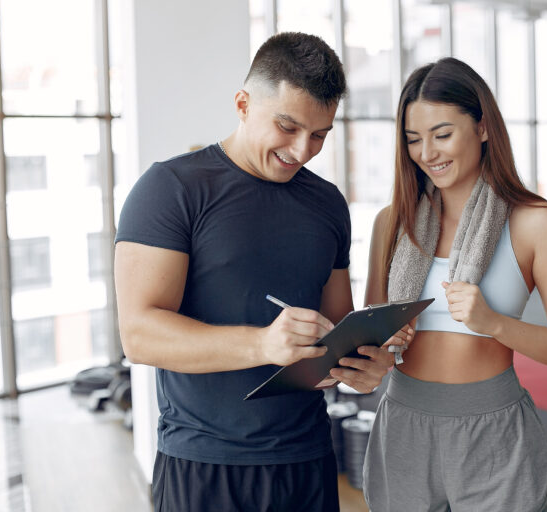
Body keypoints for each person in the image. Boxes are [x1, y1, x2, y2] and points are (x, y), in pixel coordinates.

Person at [114, 32, 402, 512]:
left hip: (307, 460)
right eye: (287, 127)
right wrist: (262, 344)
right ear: (243, 103)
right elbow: (139, 335)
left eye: (320, 134)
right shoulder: (169, 189)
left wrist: (360, 367)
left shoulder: (327, 202)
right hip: (205, 466)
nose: (303, 149)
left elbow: (337, 327)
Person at [362, 57, 547, 511]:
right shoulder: (392, 223)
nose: (427, 153)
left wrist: (494, 323)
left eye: (442, 134)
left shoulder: (536, 223)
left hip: (494, 431)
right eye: (413, 139)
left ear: (483, 128)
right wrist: (380, 343)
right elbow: (370, 342)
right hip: (403, 424)